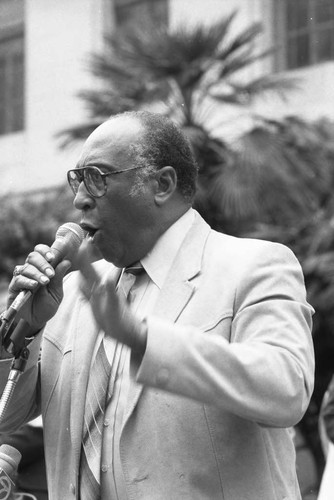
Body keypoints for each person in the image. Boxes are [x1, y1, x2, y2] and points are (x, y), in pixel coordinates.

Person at [0, 111, 314, 499]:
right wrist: (19, 334)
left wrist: (143, 341)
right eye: (77, 180)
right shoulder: (71, 292)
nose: (80, 200)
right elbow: (8, 418)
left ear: (162, 184)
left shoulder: (254, 266)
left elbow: (286, 390)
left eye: (97, 177)